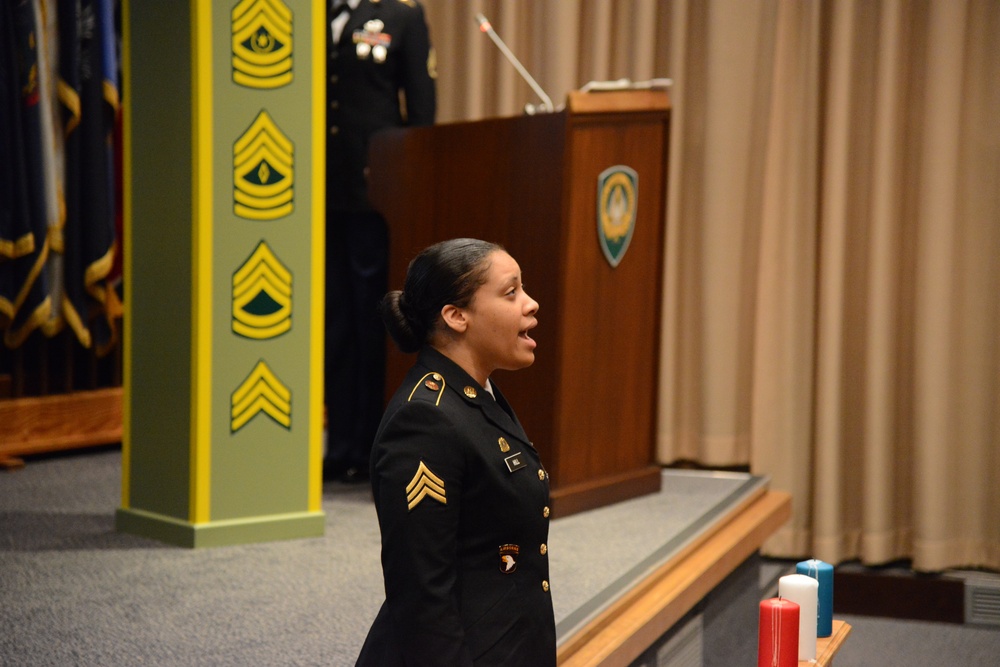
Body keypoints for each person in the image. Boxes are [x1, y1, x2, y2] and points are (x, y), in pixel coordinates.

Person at [355, 239, 556, 666]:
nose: (532, 303)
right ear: (456, 316)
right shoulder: (424, 422)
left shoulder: (476, 393)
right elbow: (421, 596)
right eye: (511, 292)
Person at [325, 0, 437, 482]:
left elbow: (422, 112)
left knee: (371, 326)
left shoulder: (402, 16)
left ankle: (373, 443)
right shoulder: (314, 15)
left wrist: (407, 182)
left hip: (373, 193)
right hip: (319, 192)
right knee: (335, 323)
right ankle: (341, 445)